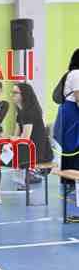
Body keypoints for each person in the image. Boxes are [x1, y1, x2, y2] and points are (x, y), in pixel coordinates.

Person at [10, 82, 53, 189]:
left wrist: (13, 140)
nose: (12, 95)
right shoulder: (20, 112)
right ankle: (27, 175)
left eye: (15, 93)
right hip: (29, 148)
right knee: (2, 150)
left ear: (24, 95)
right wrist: (10, 142)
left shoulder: (30, 112)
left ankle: (29, 173)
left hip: (39, 152)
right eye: (12, 92)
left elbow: (25, 138)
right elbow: (16, 134)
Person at [53, 48, 79, 193]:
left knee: (71, 148)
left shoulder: (72, 73)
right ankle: (71, 180)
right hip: (73, 111)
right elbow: (78, 97)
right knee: (72, 148)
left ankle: (69, 181)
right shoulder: (76, 74)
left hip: (70, 111)